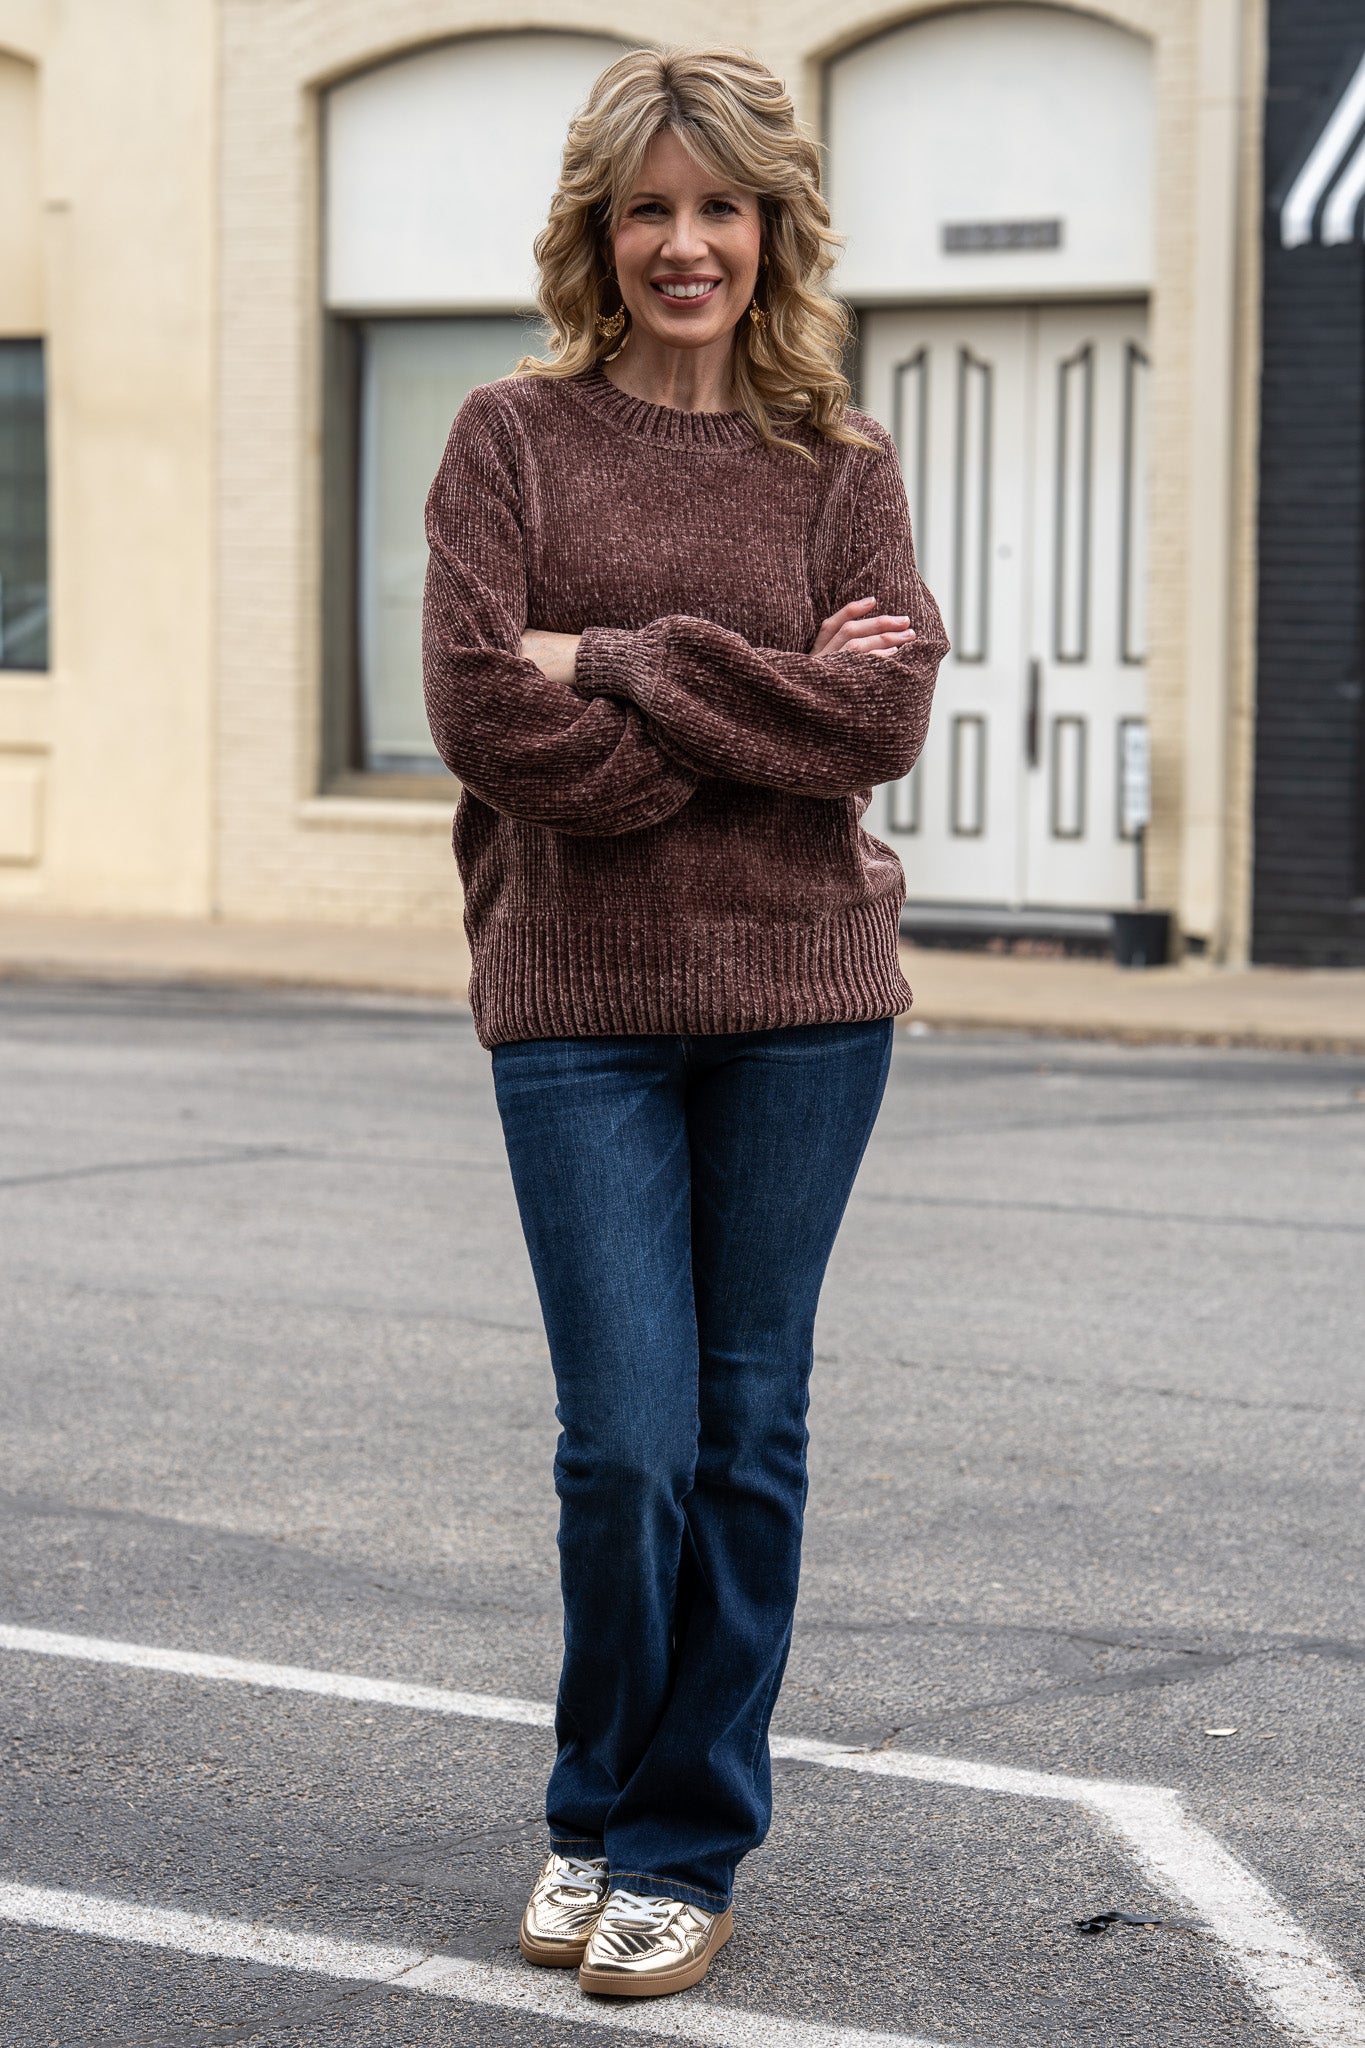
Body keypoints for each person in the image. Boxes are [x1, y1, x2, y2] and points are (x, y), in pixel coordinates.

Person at [422, 44, 947, 2002]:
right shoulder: (507, 439)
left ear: (771, 229)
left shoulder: (839, 469)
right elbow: (482, 708)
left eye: (717, 205)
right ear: (596, 230)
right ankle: (589, 1794)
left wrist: (624, 664)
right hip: (574, 1004)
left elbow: (877, 716)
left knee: (746, 1434)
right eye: (645, 206)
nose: (683, 242)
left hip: (805, 1007)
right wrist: (738, 732)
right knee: (622, 1443)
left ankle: (680, 1832)